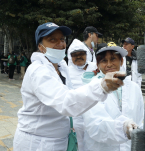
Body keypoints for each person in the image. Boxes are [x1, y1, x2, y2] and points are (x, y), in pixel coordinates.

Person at [13, 22, 125, 151]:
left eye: (62, 39)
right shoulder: (38, 71)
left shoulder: (61, 67)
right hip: (38, 142)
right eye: (52, 40)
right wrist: (101, 87)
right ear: (41, 46)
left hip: (58, 140)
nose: (60, 44)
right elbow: (66, 102)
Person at [82, 43, 144, 151]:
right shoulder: (92, 88)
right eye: (104, 61)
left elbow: (141, 119)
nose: (109, 64)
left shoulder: (134, 88)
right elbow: (95, 125)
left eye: (113, 59)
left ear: (121, 61)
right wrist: (123, 129)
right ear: (98, 64)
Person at [67, 39, 97, 151]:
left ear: (86, 54)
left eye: (81, 54)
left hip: (94, 114)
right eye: (75, 55)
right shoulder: (67, 71)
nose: (78, 57)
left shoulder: (95, 67)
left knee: (94, 143)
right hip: (77, 117)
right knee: (79, 144)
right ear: (71, 57)